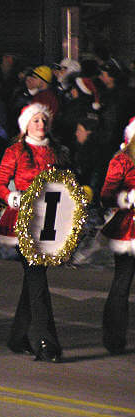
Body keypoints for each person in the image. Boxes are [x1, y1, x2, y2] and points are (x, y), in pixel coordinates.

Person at [0, 103, 69, 363]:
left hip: (50, 220)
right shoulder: (15, 151)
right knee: (36, 277)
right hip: (24, 220)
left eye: (43, 120)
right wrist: (12, 196)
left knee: (34, 279)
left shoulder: (56, 151)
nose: (40, 125)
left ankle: (19, 337)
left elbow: (66, 181)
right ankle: (46, 342)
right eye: (35, 120)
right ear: (25, 124)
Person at [98, 117, 135, 355]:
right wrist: (128, 199)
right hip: (128, 230)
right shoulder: (121, 160)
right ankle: (113, 338)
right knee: (122, 283)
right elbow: (106, 195)